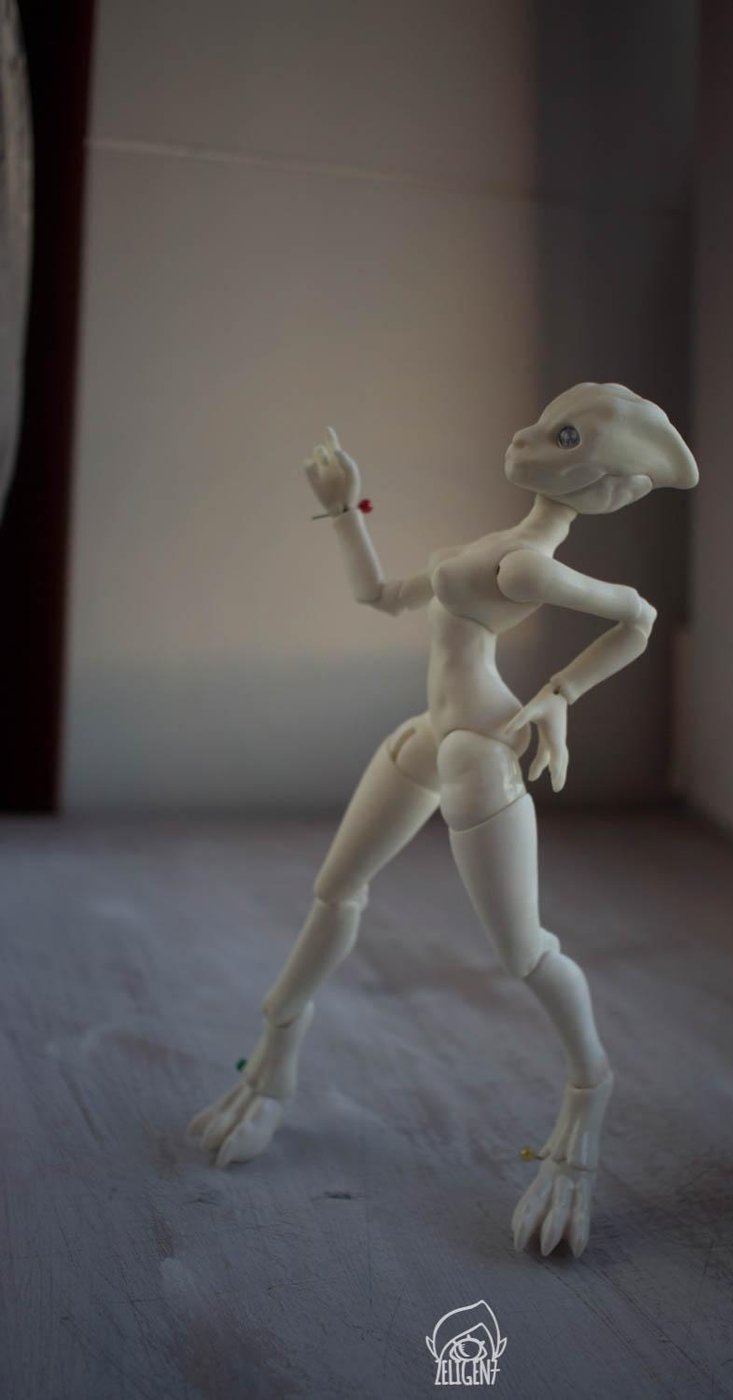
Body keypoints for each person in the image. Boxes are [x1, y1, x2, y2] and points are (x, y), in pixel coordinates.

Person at [189, 382, 698, 1257]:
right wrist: (344, 507)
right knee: (335, 892)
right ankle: (274, 1057)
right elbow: (381, 595)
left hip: (478, 753)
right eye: (546, 422)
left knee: (523, 951)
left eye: (563, 437)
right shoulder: (488, 548)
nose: (526, 435)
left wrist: (559, 694)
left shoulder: (525, 566)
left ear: (604, 483)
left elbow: (638, 617)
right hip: (429, 736)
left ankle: (588, 1092)